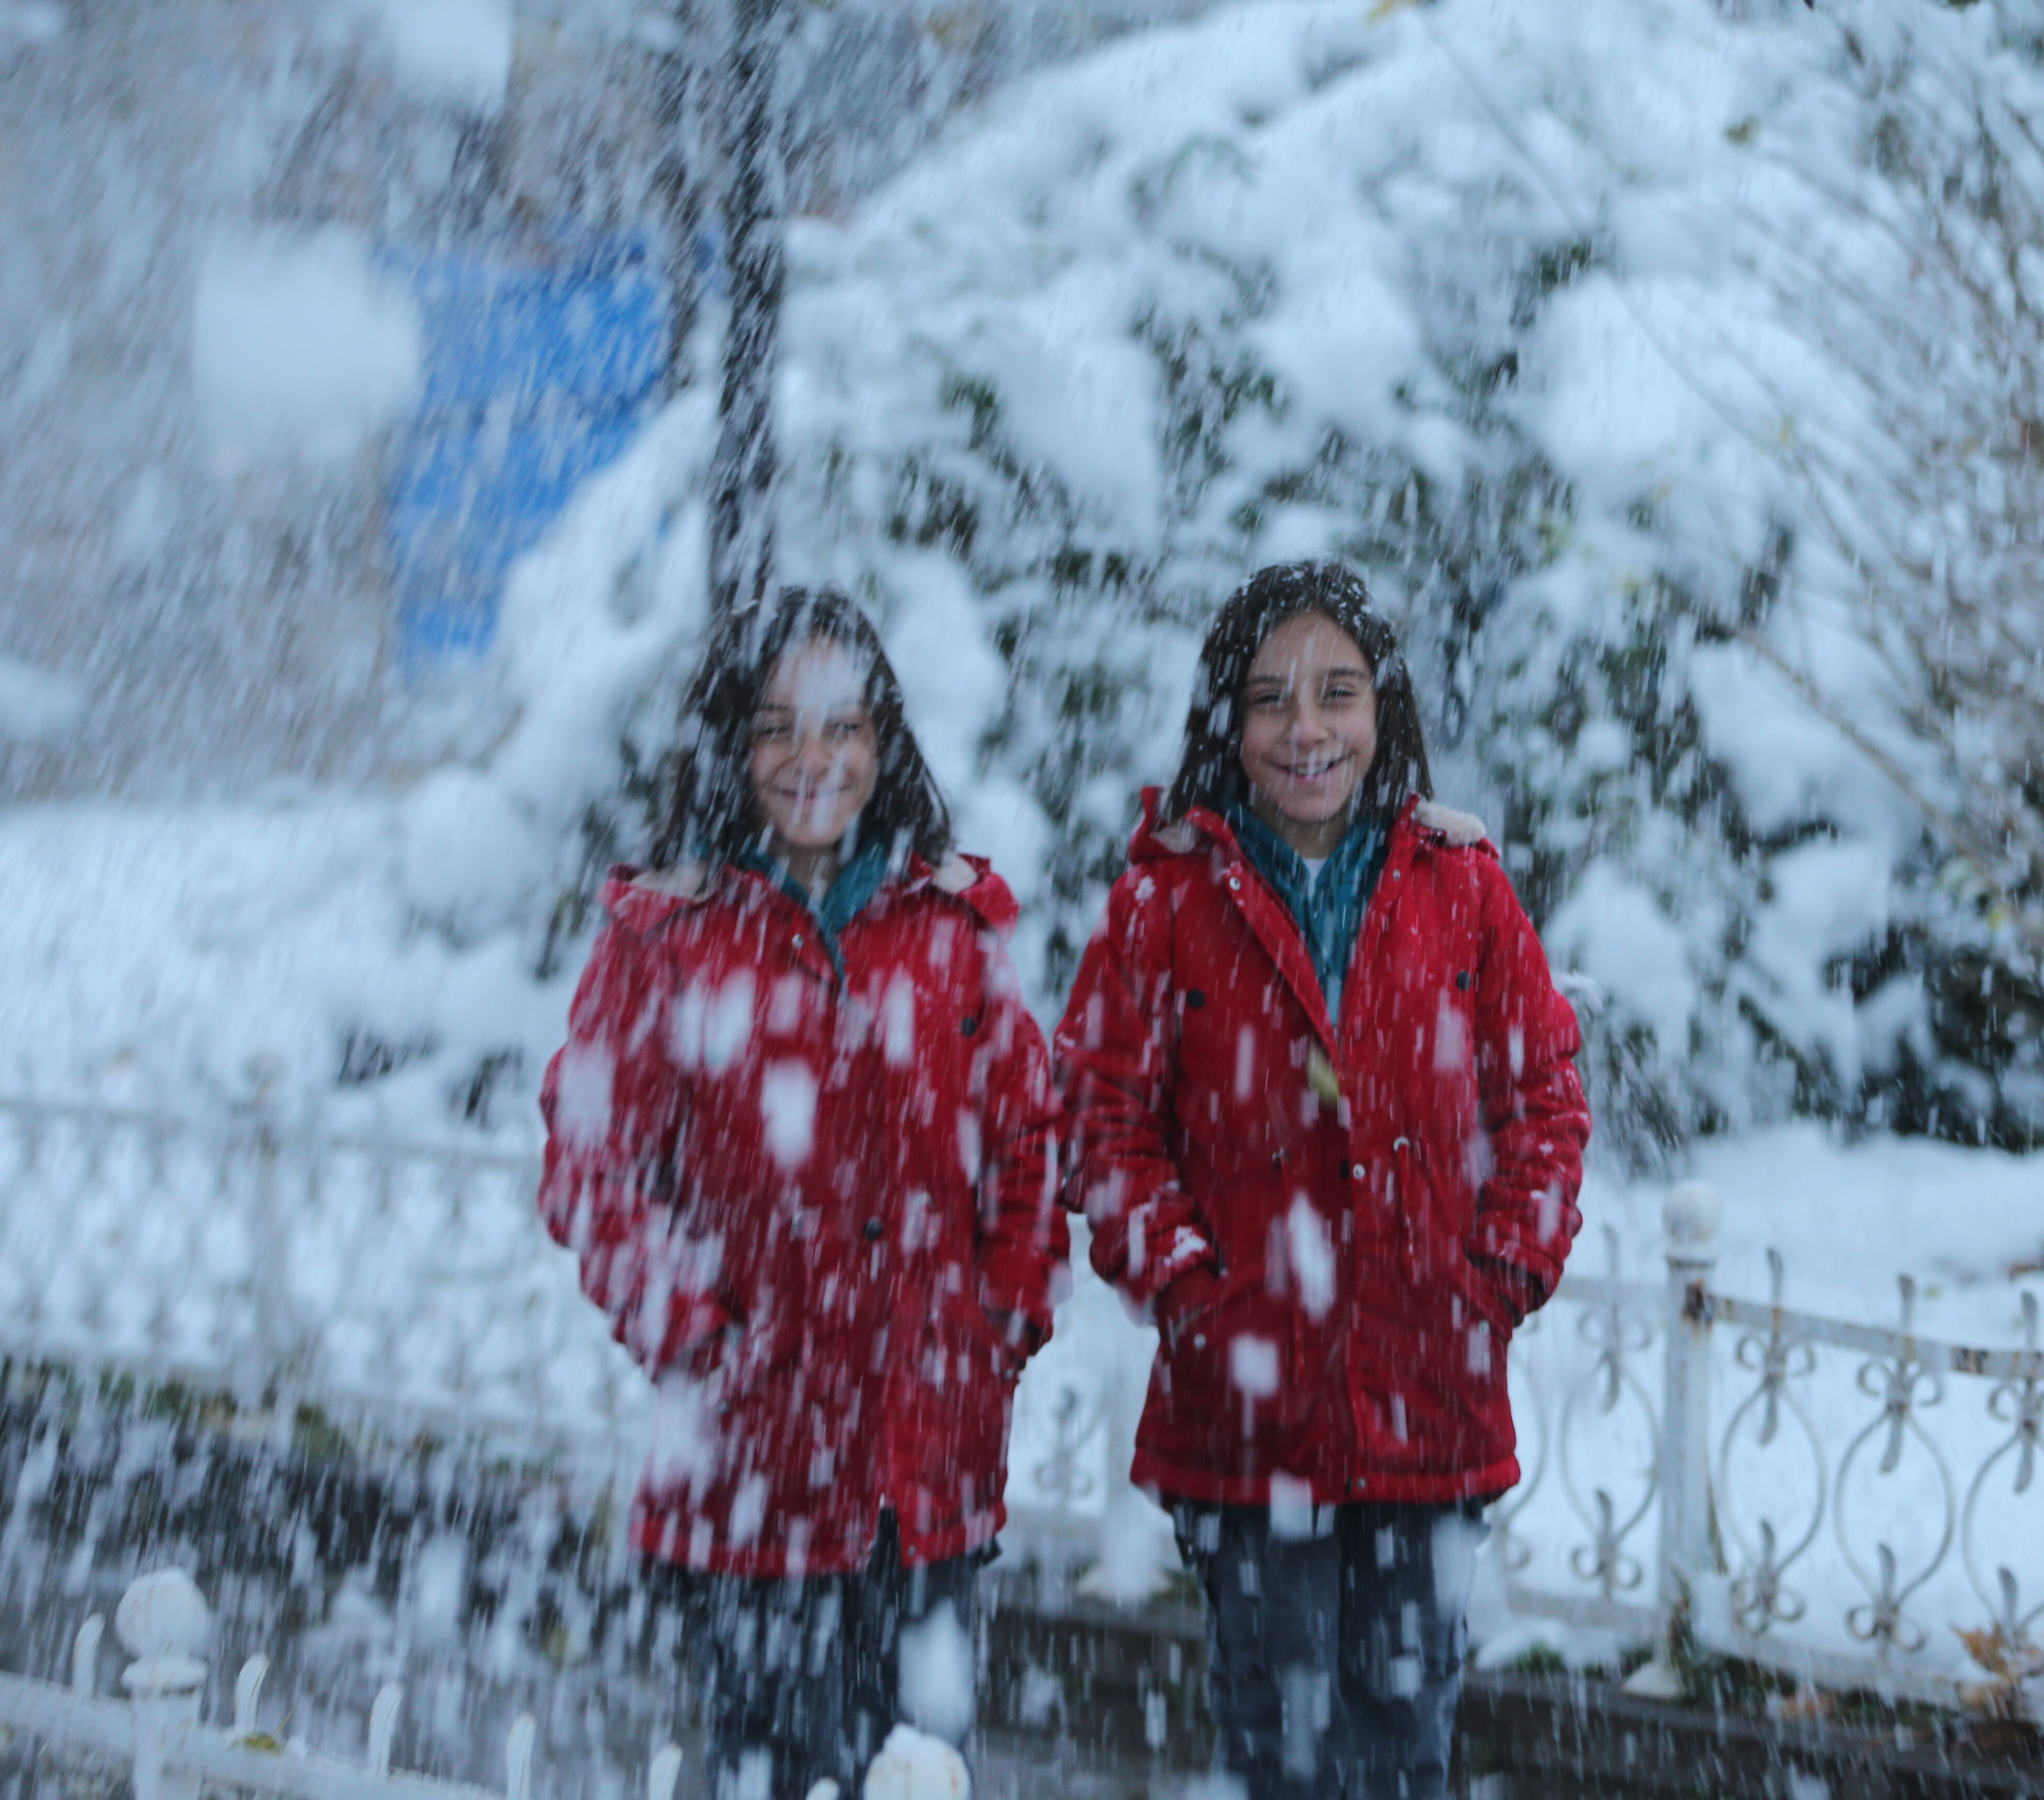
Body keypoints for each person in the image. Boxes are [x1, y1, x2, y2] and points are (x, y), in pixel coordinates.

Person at [1055, 560, 1590, 1800]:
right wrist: (1191, 1293)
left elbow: (1545, 1100)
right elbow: (1101, 1120)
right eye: (1272, 698)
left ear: (1382, 709)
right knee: (1277, 1754)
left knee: (1405, 1754)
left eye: (1338, 693)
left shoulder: (1462, 888)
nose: (1307, 729)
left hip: (1428, 1412)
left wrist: (1497, 1280)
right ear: (1228, 722)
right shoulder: (1163, 902)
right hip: (1243, 1423)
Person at [536, 588, 1064, 1800]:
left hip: (922, 1470)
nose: (810, 758)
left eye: (841, 726)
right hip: (752, 1473)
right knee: (771, 1778)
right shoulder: (668, 940)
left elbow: (1025, 1139)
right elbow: (592, 1161)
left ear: (883, 743)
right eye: (776, 727)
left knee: (919, 1776)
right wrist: (694, 1336)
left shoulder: (950, 930)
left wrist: (1000, 1322)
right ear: (732, 744)